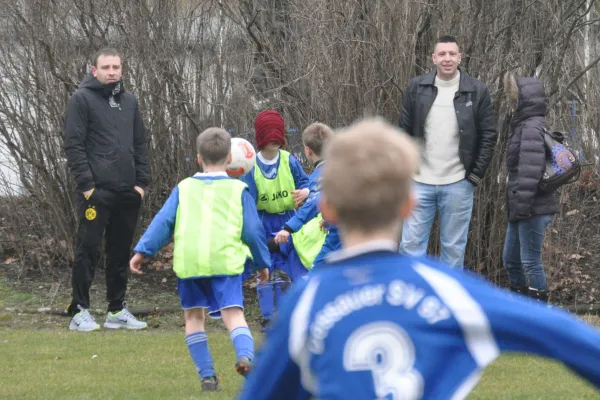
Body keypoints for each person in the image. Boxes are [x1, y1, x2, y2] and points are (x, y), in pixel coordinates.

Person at [239, 118, 600, 400]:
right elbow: (564, 335)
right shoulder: (447, 290)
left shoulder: (307, 301)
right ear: (410, 205)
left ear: (328, 210)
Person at [130, 127, 270, 392]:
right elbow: (253, 231)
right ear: (231, 159)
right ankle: (245, 357)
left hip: (190, 263)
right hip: (225, 262)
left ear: (198, 158)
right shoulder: (238, 190)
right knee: (233, 315)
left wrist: (142, 251)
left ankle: (207, 377)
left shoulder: (184, 188)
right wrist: (262, 263)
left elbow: (163, 222)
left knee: (194, 318)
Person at [63, 47, 149, 332]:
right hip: (95, 192)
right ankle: (79, 311)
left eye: (116, 67)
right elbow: (73, 145)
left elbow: (140, 144)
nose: (112, 72)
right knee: (87, 249)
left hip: (127, 191)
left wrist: (140, 184)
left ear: (122, 69)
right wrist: (87, 187)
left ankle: (116, 310)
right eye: (106, 67)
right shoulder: (81, 99)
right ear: (94, 70)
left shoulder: (130, 102)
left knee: (119, 250)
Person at [398, 35, 497, 268]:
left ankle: (447, 303)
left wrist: (474, 176)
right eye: (442, 54)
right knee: (410, 248)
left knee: (453, 251)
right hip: (418, 182)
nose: (447, 58)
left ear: (460, 57)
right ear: (434, 58)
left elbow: (489, 135)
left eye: (452, 54)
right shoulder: (416, 87)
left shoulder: (477, 91)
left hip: (458, 183)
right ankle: (411, 301)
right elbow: (402, 131)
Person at [240, 110, 309, 330]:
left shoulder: (289, 160)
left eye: (277, 136)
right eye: (269, 136)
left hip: (289, 222)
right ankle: (268, 317)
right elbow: (248, 201)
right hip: (263, 223)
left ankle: (290, 314)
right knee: (265, 269)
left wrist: (305, 192)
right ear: (261, 137)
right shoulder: (251, 167)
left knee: (291, 268)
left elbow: (308, 184)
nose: (274, 141)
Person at [502, 73, 558, 302]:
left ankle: (540, 316)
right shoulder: (523, 125)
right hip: (521, 204)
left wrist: (522, 208)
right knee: (511, 260)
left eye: (513, 98)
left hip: (532, 206)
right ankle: (522, 310)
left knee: (530, 262)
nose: (510, 102)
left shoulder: (532, 128)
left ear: (524, 99)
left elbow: (530, 172)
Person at [273, 122, 340, 276]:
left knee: (313, 279)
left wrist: (288, 228)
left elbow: (314, 202)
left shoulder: (319, 175)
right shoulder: (342, 167)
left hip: (339, 235)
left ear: (307, 151)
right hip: (355, 230)